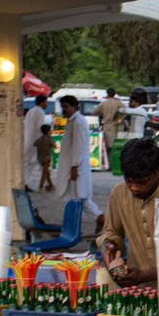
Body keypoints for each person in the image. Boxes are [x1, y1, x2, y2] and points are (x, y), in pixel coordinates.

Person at [99, 138, 159, 287]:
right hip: (137, 290)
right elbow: (111, 232)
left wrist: (146, 275)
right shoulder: (118, 193)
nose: (135, 188)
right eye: (129, 181)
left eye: (142, 182)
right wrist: (108, 248)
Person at [54, 94, 104, 231]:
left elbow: (79, 146)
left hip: (76, 167)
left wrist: (74, 167)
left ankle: (73, 228)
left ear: (74, 107)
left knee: (76, 199)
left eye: (65, 107)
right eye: (62, 107)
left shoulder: (79, 122)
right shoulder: (72, 121)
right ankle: (98, 217)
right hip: (72, 166)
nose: (63, 110)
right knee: (78, 199)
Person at [22, 95, 48, 190]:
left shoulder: (31, 111)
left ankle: (46, 183)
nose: (47, 104)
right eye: (46, 102)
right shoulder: (40, 112)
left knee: (30, 163)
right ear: (42, 102)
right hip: (36, 141)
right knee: (39, 163)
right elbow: (40, 128)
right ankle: (27, 183)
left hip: (29, 140)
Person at [94, 88, 125, 158]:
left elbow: (94, 112)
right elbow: (125, 111)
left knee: (108, 148)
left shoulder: (103, 103)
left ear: (107, 94)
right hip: (117, 127)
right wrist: (120, 119)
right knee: (117, 147)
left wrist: (102, 114)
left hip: (107, 126)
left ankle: (110, 165)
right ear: (114, 94)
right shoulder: (119, 103)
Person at [34, 124, 55, 192]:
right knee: (44, 173)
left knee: (47, 173)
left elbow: (34, 144)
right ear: (48, 131)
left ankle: (51, 186)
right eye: (50, 130)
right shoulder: (49, 139)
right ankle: (40, 187)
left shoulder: (40, 139)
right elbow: (55, 146)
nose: (51, 132)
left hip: (40, 158)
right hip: (47, 158)